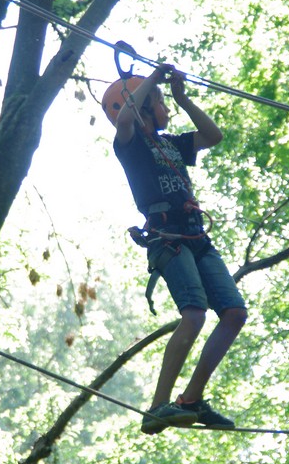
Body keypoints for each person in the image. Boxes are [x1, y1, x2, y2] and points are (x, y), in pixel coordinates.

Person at [102, 63, 248, 435]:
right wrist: (151, 78)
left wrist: (182, 98)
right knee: (194, 314)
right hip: (167, 238)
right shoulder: (130, 144)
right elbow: (124, 121)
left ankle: (191, 399)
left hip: (196, 237)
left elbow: (213, 135)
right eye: (161, 102)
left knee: (234, 314)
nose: (166, 107)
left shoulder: (171, 143)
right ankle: (157, 407)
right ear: (142, 109)